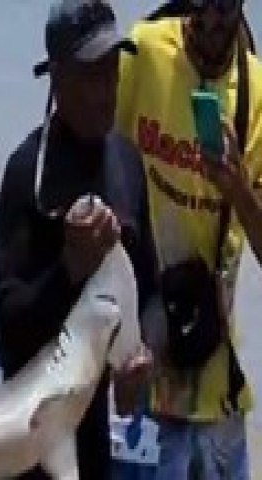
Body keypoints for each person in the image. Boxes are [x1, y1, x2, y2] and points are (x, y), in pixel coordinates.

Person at [0, 1, 157, 478]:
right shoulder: (30, 176)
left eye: (113, 70)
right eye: (91, 75)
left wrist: (141, 356)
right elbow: (8, 335)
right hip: (28, 435)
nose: (108, 90)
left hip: (93, 438)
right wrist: (69, 269)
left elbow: (152, 289)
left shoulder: (127, 163)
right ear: (57, 78)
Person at [116, 0, 262, 477]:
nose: (212, 18)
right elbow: (88, 157)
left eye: (226, 5)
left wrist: (237, 188)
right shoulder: (142, 54)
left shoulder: (257, 94)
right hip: (141, 365)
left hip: (215, 375)